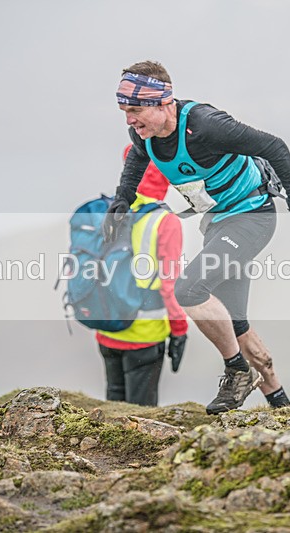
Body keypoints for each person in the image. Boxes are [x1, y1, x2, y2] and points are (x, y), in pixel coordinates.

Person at [104, 60, 290, 414]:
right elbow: (136, 163)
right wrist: (121, 201)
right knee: (235, 322)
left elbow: (275, 147)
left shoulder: (205, 125)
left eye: (135, 110)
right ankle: (282, 406)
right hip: (220, 223)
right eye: (124, 111)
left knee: (189, 290)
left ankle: (237, 372)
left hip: (252, 217)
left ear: (163, 102)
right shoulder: (144, 135)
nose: (129, 120)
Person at [96, 144, 188, 406]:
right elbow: (170, 285)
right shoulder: (165, 220)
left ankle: (104, 446)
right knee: (141, 414)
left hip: (106, 327)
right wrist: (179, 328)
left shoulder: (110, 209)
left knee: (113, 403)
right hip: (144, 332)